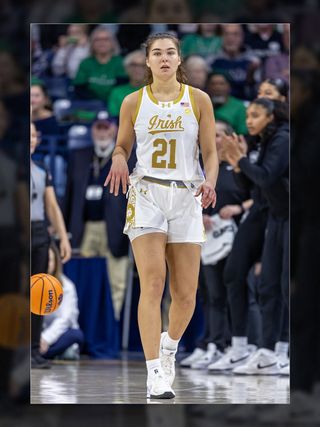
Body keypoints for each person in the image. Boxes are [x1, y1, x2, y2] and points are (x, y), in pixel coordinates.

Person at [104, 33, 218, 399]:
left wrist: (211, 182)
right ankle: (154, 372)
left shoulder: (199, 99)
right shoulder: (132, 102)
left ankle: (169, 348)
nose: (165, 58)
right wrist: (119, 156)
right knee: (152, 283)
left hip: (187, 196)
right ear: (148, 62)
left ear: (179, 59)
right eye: (158, 53)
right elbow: (121, 145)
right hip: (148, 193)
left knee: (186, 295)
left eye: (171, 52)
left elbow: (211, 153)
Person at [213, 98, 289, 375]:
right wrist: (237, 164)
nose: (249, 121)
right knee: (267, 285)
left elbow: (267, 177)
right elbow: (251, 184)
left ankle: (284, 351)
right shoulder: (262, 140)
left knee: (284, 285)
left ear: (270, 117)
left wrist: (240, 159)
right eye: (248, 116)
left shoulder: (283, 138)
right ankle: (266, 351)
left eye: (256, 115)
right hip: (275, 216)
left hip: (292, 215)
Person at [179, 120, 251, 370]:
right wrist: (200, 215)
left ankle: (230, 344)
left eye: (219, 134)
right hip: (206, 238)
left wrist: (239, 208)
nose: (215, 139)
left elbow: (257, 194)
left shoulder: (240, 166)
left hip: (237, 238)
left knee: (231, 292)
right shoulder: (201, 169)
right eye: (211, 135)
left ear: (231, 138)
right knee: (209, 294)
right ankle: (210, 343)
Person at [63, 112, 135, 320]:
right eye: (98, 127)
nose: (102, 132)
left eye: (106, 127)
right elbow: (69, 193)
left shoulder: (130, 157)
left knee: (117, 279)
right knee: (82, 278)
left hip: (115, 227)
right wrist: (65, 225)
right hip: (85, 226)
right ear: (92, 130)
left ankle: (111, 326)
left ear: (114, 129)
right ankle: (80, 323)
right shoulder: (80, 155)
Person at [31, 122, 72, 368]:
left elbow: (52, 205)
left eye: (34, 135)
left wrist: (63, 238)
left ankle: (34, 351)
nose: (31, 139)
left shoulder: (41, 167)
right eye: (27, 135)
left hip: (39, 232)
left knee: (38, 294)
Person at [40, 241, 84, 360]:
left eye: (49, 260)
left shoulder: (67, 287)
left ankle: (43, 352)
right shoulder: (33, 285)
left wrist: (45, 339)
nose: (46, 263)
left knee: (76, 335)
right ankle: (45, 352)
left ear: (56, 262)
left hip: (60, 334)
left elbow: (64, 320)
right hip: (37, 336)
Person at [73, 26, 127, 104]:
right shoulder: (86, 63)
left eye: (106, 39)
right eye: (97, 40)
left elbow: (122, 86)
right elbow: (79, 87)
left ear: (113, 43)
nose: (102, 43)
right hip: (90, 103)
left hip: (114, 102)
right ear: (92, 43)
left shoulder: (121, 62)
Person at [108, 50, 145, 119]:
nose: (138, 69)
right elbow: (114, 118)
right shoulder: (116, 92)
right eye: (134, 65)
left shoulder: (158, 91)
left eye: (143, 65)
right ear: (126, 68)